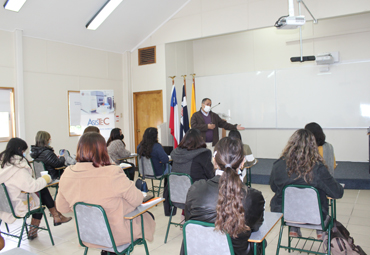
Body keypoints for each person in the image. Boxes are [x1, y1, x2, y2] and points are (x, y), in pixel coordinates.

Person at [55, 132, 156, 252]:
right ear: (103, 150)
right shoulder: (112, 173)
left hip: (87, 235)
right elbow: (137, 199)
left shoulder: (67, 173)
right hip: (115, 235)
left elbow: (62, 207)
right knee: (148, 217)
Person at [184, 137, 265, 255]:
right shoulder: (253, 197)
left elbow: (189, 220)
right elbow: (255, 227)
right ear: (242, 162)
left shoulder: (195, 189)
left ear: (214, 161)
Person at [269, 129, 344, 238]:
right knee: (320, 189)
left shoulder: (278, 165)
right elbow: (337, 193)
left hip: (285, 213)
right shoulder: (318, 168)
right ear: (313, 147)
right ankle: (320, 231)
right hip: (314, 215)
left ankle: (293, 229)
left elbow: (274, 187)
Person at [0, 138, 71, 241]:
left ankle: (55, 215)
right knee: (40, 200)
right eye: (24, 151)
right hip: (17, 205)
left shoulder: (4, 164)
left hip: (4, 204)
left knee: (41, 191)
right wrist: (45, 179)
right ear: (19, 150)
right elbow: (32, 186)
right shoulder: (18, 168)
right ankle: (52, 217)